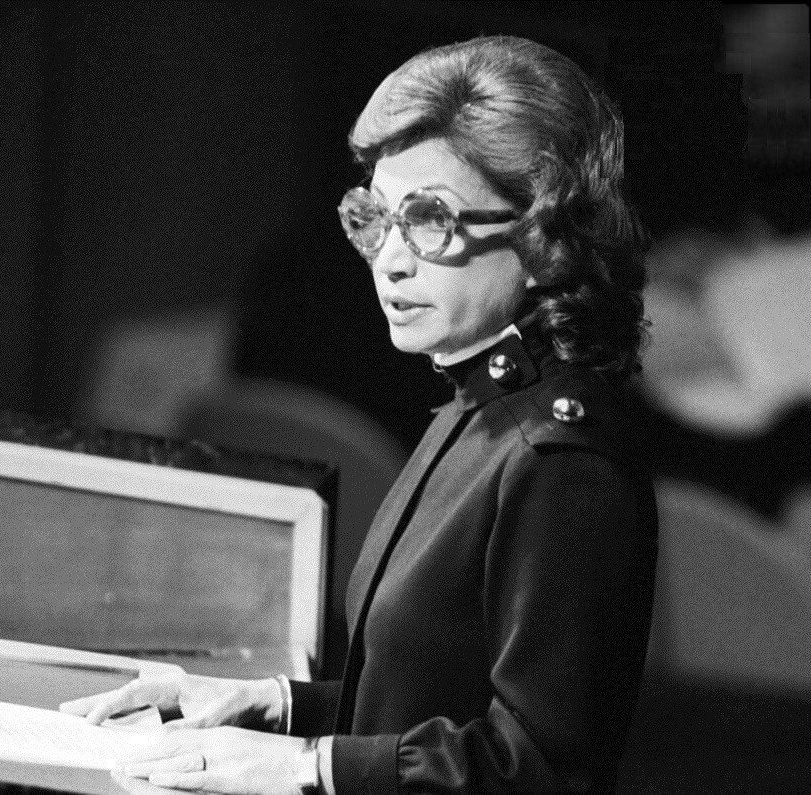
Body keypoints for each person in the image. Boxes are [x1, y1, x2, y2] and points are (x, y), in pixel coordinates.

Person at [61, 35, 657, 794]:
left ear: (545, 235)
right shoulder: (482, 401)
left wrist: (304, 766)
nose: (391, 260)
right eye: (378, 218)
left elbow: (537, 768)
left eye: (431, 219)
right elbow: (419, 697)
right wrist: (272, 704)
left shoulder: (560, 457)